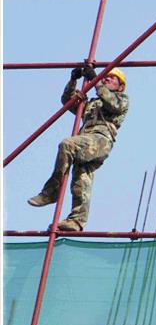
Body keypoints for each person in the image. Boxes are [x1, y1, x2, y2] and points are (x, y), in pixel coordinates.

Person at [27, 65, 129, 231]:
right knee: (81, 178)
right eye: (105, 76)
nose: (106, 78)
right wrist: (73, 80)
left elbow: (113, 104)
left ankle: (51, 192)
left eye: (112, 77)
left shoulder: (122, 99)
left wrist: (95, 81)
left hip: (100, 140)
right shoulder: (93, 103)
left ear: (120, 85)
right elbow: (68, 101)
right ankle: (77, 220)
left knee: (67, 144)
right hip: (86, 142)